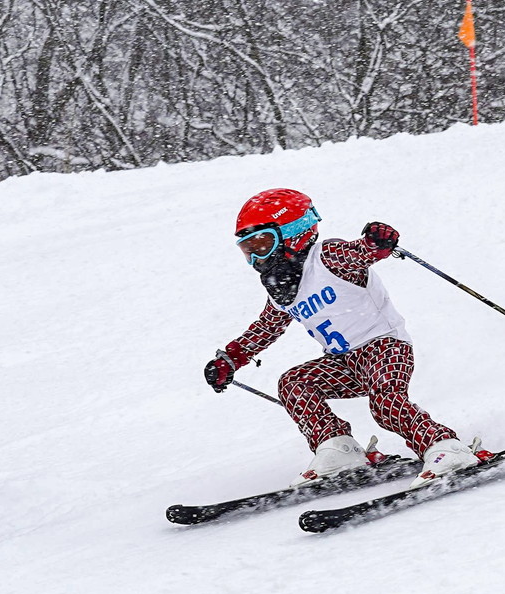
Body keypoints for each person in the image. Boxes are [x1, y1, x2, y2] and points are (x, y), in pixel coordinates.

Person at [203, 188, 486, 488]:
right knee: (293, 384)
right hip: (343, 363)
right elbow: (266, 327)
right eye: (248, 250)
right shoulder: (283, 286)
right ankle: (339, 449)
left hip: (384, 348)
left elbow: (360, 253)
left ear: (293, 233)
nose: (257, 258)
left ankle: (445, 448)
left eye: (263, 244)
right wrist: (230, 360)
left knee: (386, 405)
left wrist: (377, 242)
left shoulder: (326, 257)